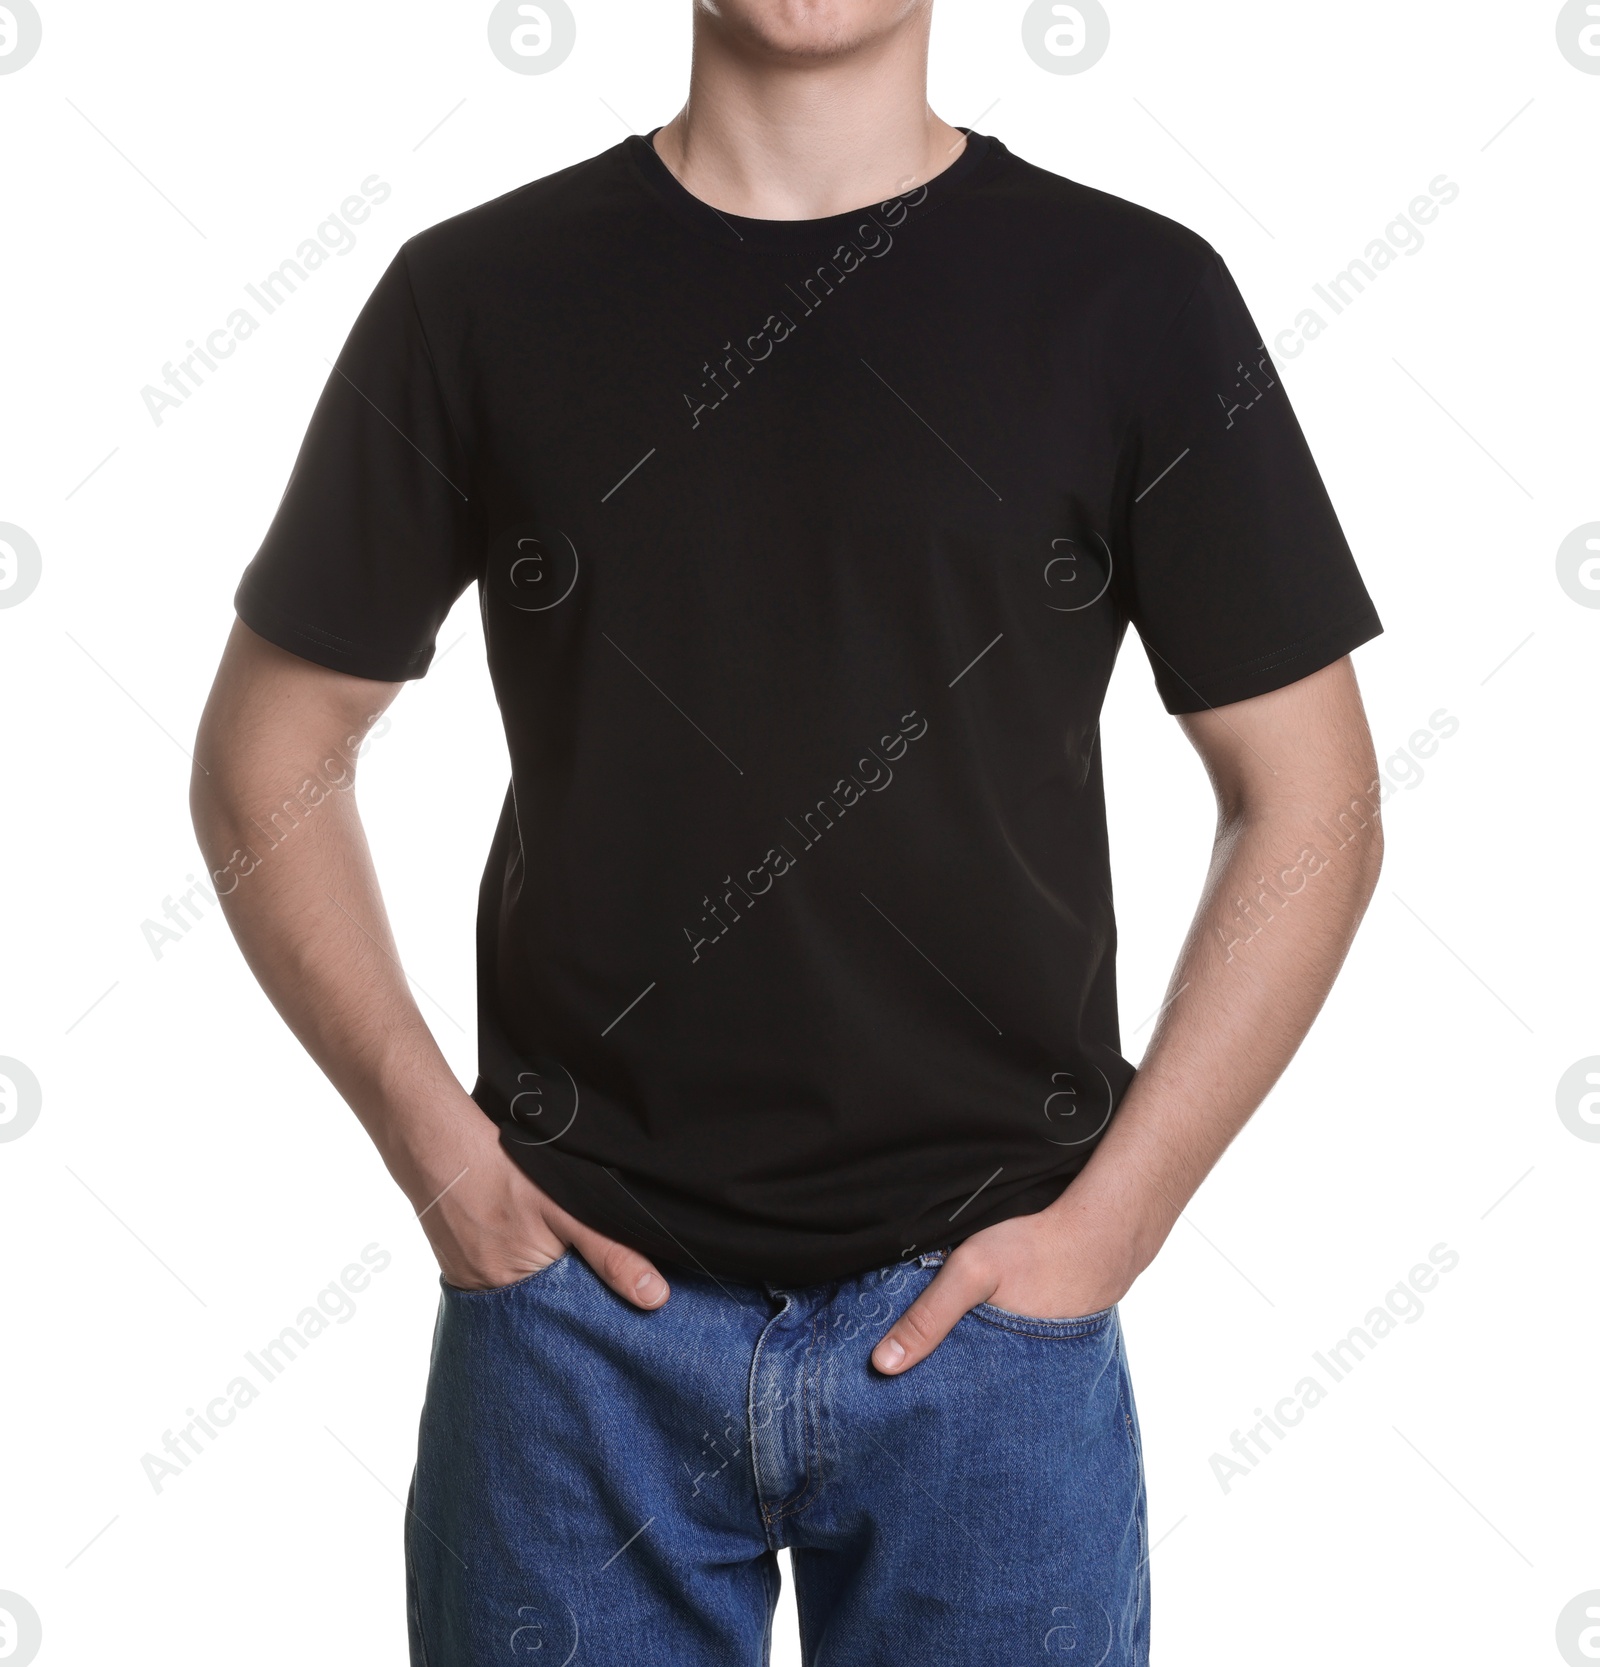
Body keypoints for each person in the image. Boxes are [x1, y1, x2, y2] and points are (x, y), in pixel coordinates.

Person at [191, 2, 1385, 1661]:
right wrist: (445, 1165)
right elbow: (269, 752)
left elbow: (1311, 796)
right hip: (572, 1338)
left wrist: (1118, 1220)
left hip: (992, 1333)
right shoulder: (477, 294)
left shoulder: (1135, 297)